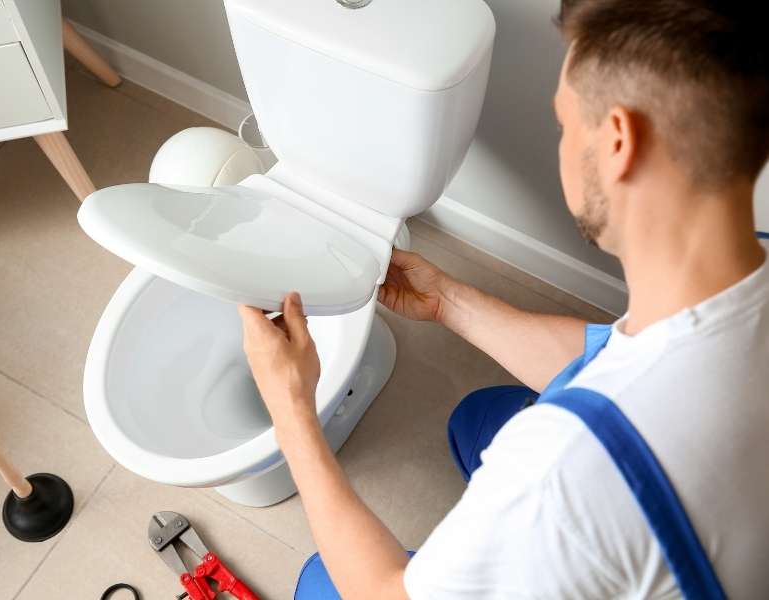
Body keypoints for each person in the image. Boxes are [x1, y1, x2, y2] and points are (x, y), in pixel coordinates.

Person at [237, 0, 769, 597]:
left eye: (564, 124)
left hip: (619, 515)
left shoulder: (561, 470)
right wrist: (450, 302)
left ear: (619, 142)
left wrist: (291, 408)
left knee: (322, 582)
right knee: (479, 419)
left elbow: (385, 593)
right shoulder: (743, 265)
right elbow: (618, 353)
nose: (561, 143)